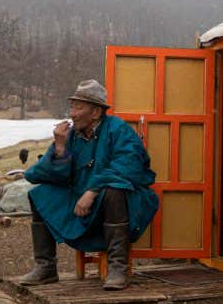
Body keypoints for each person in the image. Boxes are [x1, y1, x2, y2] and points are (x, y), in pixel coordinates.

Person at [19, 79, 158, 290]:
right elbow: (53, 176)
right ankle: (46, 267)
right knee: (39, 194)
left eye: (78, 107)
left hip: (113, 203)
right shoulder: (71, 135)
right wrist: (59, 148)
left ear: (95, 112)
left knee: (114, 191)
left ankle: (117, 268)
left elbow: (128, 166)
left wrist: (92, 190)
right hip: (79, 200)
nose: (72, 114)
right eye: (72, 107)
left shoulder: (118, 129)